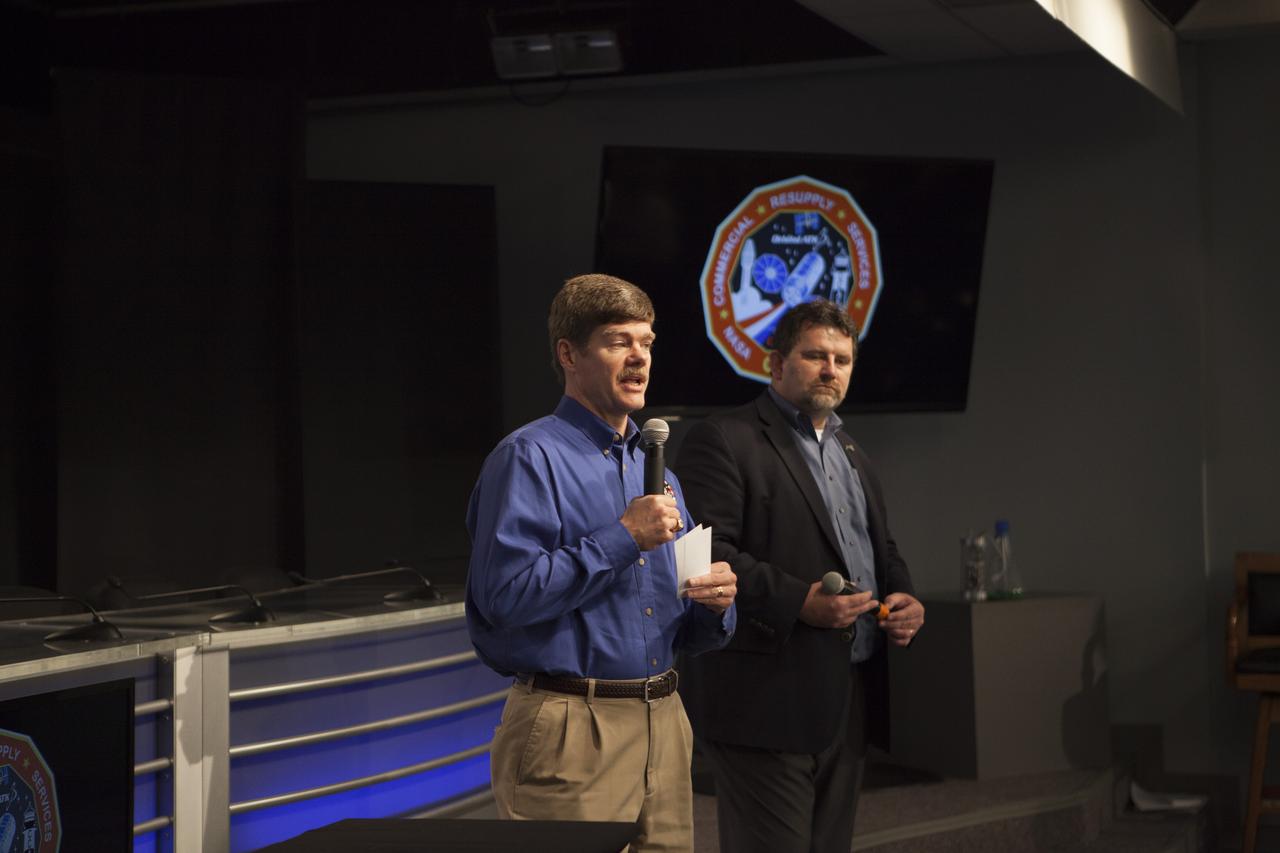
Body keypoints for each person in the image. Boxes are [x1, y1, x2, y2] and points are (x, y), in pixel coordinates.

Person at [465, 273, 738, 852]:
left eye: (648, 342)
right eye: (619, 341)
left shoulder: (657, 467)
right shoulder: (528, 457)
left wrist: (715, 604)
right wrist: (622, 538)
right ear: (569, 354)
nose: (639, 356)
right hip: (571, 726)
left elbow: (685, 625)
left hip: (663, 720)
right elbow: (505, 598)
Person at [673, 298, 924, 853]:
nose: (831, 369)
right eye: (815, 355)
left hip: (846, 701)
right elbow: (705, 556)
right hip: (763, 704)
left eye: (842, 359)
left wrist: (903, 592)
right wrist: (797, 601)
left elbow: (878, 545)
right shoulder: (725, 439)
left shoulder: (850, 450)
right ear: (776, 363)